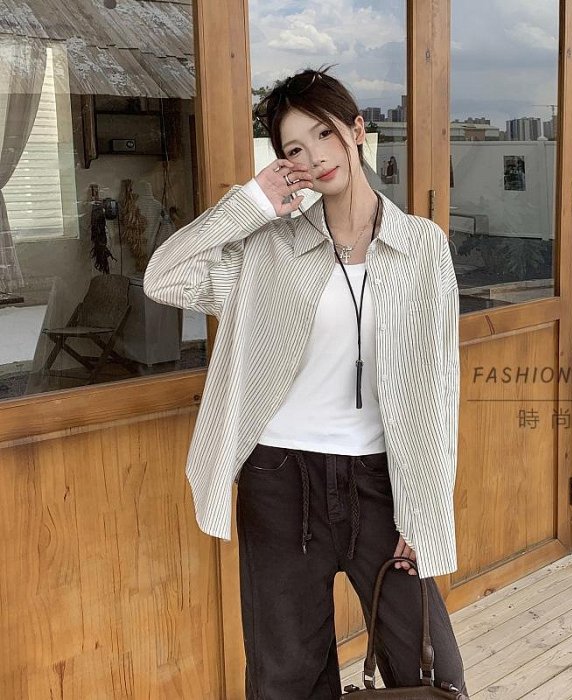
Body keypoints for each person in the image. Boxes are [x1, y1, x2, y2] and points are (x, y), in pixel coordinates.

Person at [143, 67, 468, 699]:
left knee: (432, 672)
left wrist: (425, 510)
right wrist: (252, 203)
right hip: (280, 481)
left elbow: (439, 388)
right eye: (295, 148)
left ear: (357, 130)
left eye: (324, 133)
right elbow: (164, 276)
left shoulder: (421, 247)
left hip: (381, 482)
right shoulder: (270, 250)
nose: (315, 156)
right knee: (286, 677)